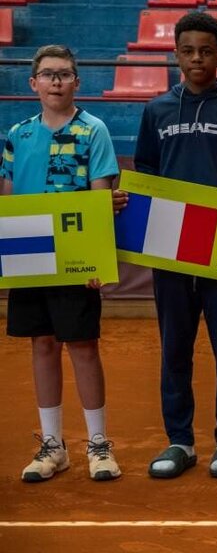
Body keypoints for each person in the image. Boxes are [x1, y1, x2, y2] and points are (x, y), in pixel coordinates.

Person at [121, 11, 217, 479]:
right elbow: (146, 176)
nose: (197, 59)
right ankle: (181, 441)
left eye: (206, 51)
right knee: (175, 350)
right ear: (175, 54)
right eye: (188, 50)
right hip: (170, 251)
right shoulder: (156, 111)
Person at [2, 45, 121, 482]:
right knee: (42, 344)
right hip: (32, 257)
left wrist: (95, 261)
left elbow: (100, 198)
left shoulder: (94, 131)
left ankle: (98, 444)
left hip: (76, 258)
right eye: (48, 74)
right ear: (33, 83)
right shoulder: (18, 134)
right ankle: (53, 446)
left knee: (83, 346)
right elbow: (8, 200)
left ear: (77, 82)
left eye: (65, 74)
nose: (56, 81)